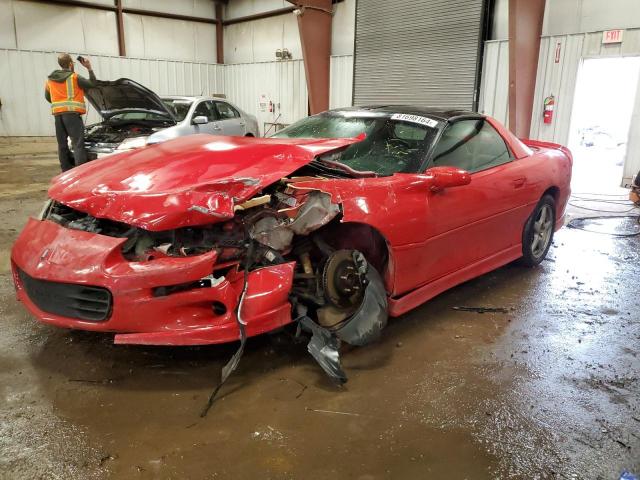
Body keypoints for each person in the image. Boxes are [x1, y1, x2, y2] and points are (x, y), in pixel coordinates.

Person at [45, 53, 97, 171]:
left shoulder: (50, 79)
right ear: (70, 64)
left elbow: (48, 97)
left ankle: (65, 171)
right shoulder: (74, 77)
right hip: (72, 115)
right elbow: (93, 84)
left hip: (58, 115)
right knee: (77, 144)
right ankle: (79, 173)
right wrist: (89, 68)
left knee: (62, 145)